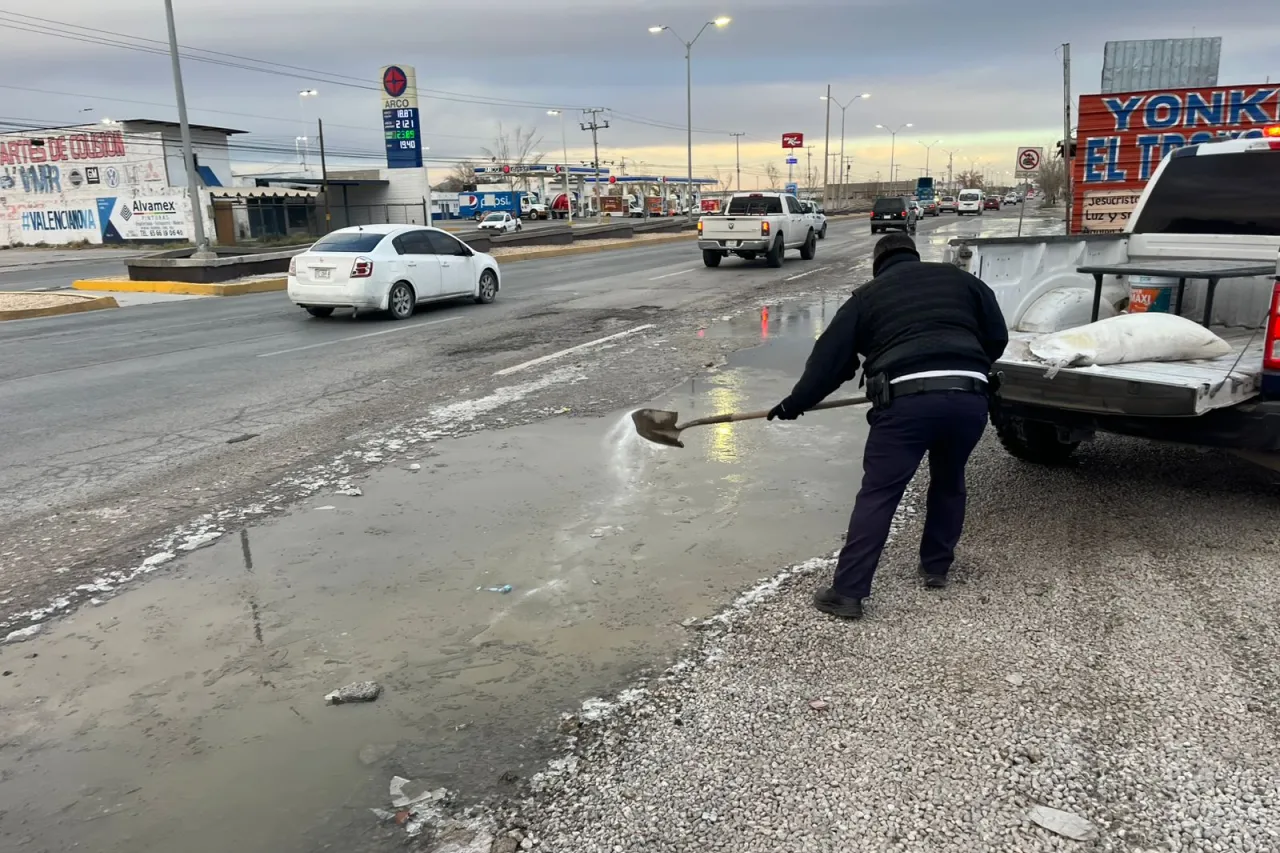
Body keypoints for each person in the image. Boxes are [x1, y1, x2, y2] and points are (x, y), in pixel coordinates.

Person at [767, 233, 1008, 620]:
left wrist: (795, 404)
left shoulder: (867, 296)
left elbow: (830, 363)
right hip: (968, 398)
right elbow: (997, 338)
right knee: (950, 480)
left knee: (879, 493)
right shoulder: (964, 281)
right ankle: (936, 568)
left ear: (879, 264)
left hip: (906, 406)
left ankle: (847, 593)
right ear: (913, 256)